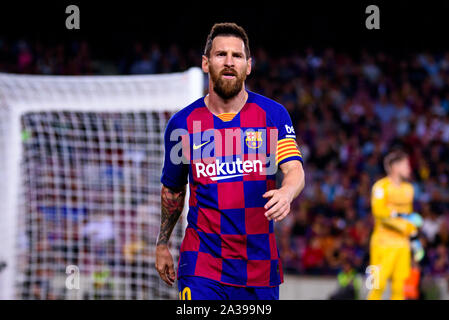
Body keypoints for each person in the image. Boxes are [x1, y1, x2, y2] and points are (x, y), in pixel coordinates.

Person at [155, 22, 305, 300]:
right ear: (205, 63)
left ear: (248, 66)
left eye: (237, 56)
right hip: (202, 264)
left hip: (258, 266)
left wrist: (286, 192)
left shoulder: (272, 114)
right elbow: (173, 191)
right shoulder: (182, 124)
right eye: (220, 54)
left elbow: (294, 169)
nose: (228, 62)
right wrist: (162, 242)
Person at [367, 150, 424, 300]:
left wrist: (415, 241)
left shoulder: (408, 189)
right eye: (406, 165)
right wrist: (402, 218)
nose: (409, 169)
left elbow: (411, 220)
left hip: (403, 246)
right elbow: (379, 212)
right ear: (395, 167)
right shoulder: (380, 187)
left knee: (400, 289)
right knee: (377, 286)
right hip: (382, 244)